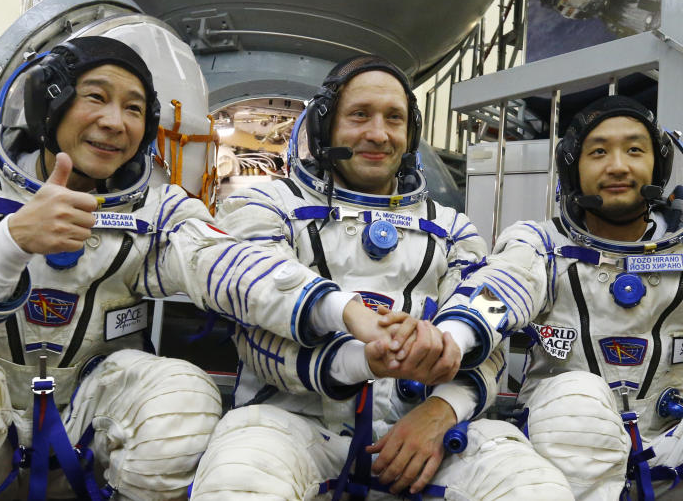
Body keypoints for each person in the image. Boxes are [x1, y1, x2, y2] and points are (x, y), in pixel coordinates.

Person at [0, 35, 405, 501]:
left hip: (87, 413)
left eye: (134, 108)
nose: (115, 123)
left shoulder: (154, 211)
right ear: (50, 100)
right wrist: (11, 242)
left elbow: (232, 264)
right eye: (96, 97)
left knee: (182, 402)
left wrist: (343, 309)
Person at [190, 55, 572, 500]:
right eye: (359, 115)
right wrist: (359, 347)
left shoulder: (451, 229)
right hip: (294, 426)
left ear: (410, 135)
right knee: (240, 479)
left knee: (532, 487)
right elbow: (256, 317)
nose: (378, 133)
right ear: (324, 127)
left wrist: (443, 410)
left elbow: (491, 334)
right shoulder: (268, 207)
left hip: (425, 433)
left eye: (394, 118)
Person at [434, 95, 683, 500]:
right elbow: (501, 290)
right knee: (576, 396)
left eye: (634, 149)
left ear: (657, 166)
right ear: (573, 169)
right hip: (561, 457)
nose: (617, 165)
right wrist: (454, 334)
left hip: (669, 450)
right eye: (598, 152)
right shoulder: (540, 245)